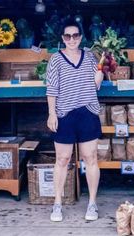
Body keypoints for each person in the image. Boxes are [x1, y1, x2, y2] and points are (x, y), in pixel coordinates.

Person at [46, 19, 104, 222]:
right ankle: (57, 204)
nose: (72, 39)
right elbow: (52, 89)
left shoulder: (89, 57)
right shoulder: (56, 59)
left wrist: (99, 76)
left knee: (91, 158)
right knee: (62, 160)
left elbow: (95, 82)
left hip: (87, 112)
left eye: (75, 35)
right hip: (64, 114)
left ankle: (92, 204)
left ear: (80, 37)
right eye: (67, 36)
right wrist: (52, 113)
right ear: (63, 38)